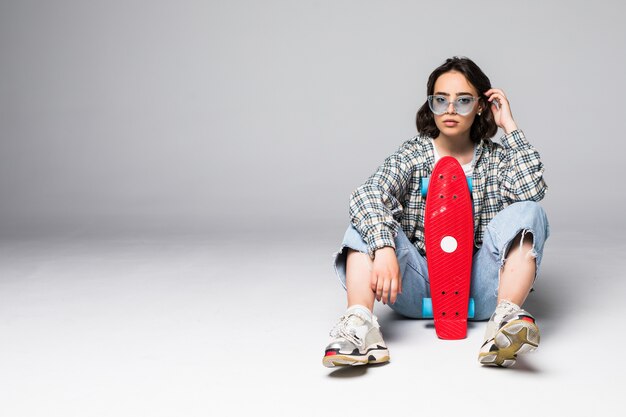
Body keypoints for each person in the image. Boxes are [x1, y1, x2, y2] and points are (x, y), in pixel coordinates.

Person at [322, 56, 550, 368]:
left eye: (464, 100)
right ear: (431, 104)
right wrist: (385, 247)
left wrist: (509, 126)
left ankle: (505, 321)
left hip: (480, 290)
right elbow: (368, 193)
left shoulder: (496, 160)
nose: (451, 110)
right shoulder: (413, 154)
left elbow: (531, 192)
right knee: (365, 223)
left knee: (529, 212)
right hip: (418, 288)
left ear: (482, 105)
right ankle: (360, 328)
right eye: (441, 100)